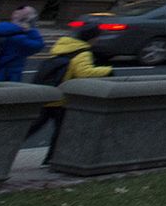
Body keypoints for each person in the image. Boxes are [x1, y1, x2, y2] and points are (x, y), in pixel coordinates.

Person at [25, 22, 111, 161]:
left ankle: (7, 147)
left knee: (34, 126)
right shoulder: (83, 52)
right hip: (62, 98)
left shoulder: (62, 47)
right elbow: (84, 72)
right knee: (63, 130)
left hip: (49, 93)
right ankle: (52, 158)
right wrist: (108, 70)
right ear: (92, 38)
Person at [0, 4, 45, 82]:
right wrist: (31, 30)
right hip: (9, 73)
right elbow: (37, 46)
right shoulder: (20, 37)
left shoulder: (1, 29)